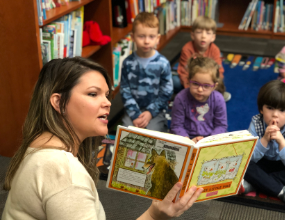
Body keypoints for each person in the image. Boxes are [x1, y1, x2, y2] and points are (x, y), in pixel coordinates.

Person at [2, 57, 203, 220]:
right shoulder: (65, 174)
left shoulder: (39, 145)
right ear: (59, 102)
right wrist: (154, 215)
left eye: (106, 95)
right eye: (93, 94)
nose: (107, 102)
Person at [239, 80, 285, 209]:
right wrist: (265, 139)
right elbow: (251, 157)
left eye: (282, 110)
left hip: (282, 165)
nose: (275, 115)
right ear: (261, 109)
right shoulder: (256, 122)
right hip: (261, 163)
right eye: (270, 108)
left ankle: (255, 184)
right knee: (243, 163)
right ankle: (282, 192)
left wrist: (281, 141)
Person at [120, 12, 173, 132]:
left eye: (151, 37)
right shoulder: (127, 63)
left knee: (155, 136)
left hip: (156, 112)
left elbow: (166, 92)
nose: (146, 41)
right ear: (133, 37)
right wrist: (134, 114)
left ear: (158, 38)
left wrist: (150, 112)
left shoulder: (163, 63)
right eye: (141, 36)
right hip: (133, 111)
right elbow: (125, 90)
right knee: (125, 133)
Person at [170, 56, 227, 143]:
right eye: (196, 84)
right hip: (186, 137)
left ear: (214, 86)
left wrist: (209, 141)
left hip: (211, 137)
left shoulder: (218, 99)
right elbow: (176, 126)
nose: (200, 89)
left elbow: (221, 126)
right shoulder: (180, 98)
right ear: (189, 81)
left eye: (206, 86)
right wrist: (188, 141)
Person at [175, 16, 231, 102]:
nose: (203, 36)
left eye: (208, 33)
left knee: (220, 81)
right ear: (192, 35)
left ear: (213, 37)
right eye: (199, 32)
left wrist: (215, 87)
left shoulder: (215, 50)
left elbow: (219, 71)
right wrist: (192, 92)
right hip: (192, 82)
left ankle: (214, 96)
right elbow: (184, 73)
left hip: (207, 82)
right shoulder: (187, 49)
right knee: (174, 81)